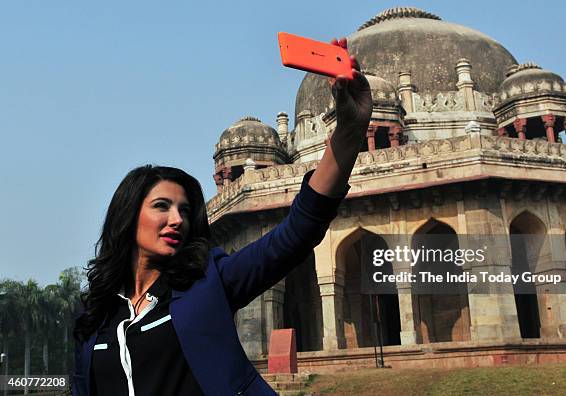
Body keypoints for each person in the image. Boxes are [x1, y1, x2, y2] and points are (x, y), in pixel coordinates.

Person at [72, 37, 373, 396]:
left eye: (185, 210)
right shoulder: (94, 313)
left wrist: (350, 132)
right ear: (127, 216)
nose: (178, 219)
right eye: (162, 206)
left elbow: (295, 234)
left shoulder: (207, 282)